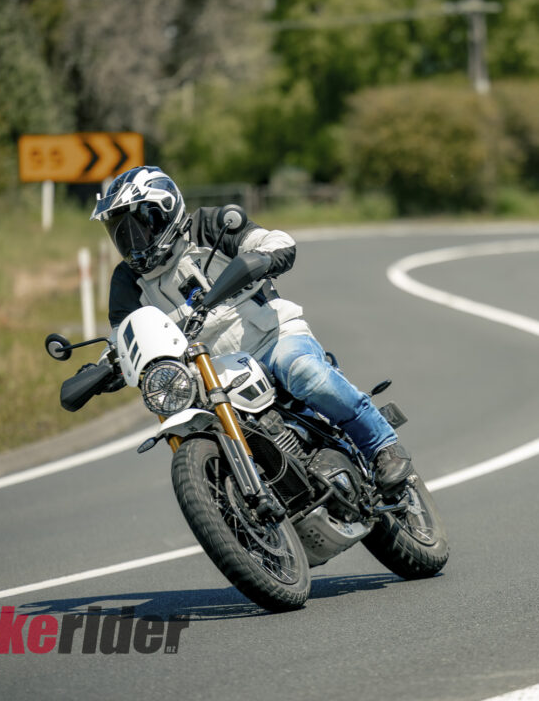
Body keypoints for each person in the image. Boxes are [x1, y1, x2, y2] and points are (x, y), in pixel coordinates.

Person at [90, 165, 412, 495]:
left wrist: (264, 257)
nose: (133, 240)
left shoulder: (210, 226)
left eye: (140, 225)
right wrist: (102, 367)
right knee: (200, 427)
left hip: (271, 338)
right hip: (208, 376)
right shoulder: (126, 281)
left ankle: (381, 445)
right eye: (121, 232)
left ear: (167, 211)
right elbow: (122, 337)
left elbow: (274, 241)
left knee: (304, 371)